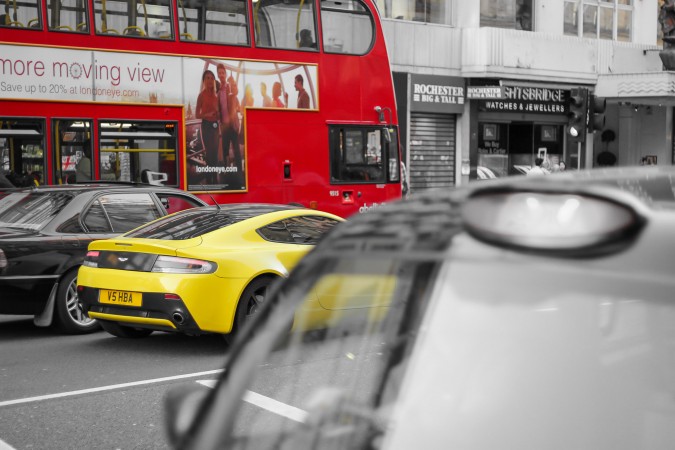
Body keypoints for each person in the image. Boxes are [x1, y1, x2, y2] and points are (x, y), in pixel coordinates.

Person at [195, 69, 220, 183]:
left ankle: (214, 179)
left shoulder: (216, 95)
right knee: (209, 154)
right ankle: (209, 180)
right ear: (204, 81)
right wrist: (207, 114)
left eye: (211, 78)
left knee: (214, 154)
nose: (209, 80)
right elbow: (196, 114)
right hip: (206, 126)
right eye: (207, 78)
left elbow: (219, 114)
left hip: (215, 126)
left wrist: (217, 114)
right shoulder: (201, 95)